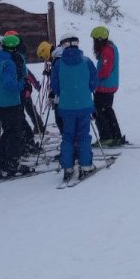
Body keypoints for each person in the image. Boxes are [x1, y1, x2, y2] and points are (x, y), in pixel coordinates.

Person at [50, 33, 98, 185]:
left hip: (66, 106)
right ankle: (85, 165)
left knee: (68, 136)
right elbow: (94, 82)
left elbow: (55, 86)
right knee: (83, 135)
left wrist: (66, 94)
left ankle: (68, 167)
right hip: (83, 105)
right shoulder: (86, 61)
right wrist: (84, 92)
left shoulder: (58, 64)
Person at [0, 35, 28, 177]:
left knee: (7, 133)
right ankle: (12, 165)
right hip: (10, 102)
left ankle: (2, 164)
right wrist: (22, 85)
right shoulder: (8, 62)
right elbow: (9, 84)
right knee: (15, 134)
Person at [91, 26, 127, 147]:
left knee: (99, 112)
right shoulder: (111, 48)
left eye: (95, 40)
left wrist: (94, 79)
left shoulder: (107, 51)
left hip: (104, 87)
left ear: (100, 40)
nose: (94, 43)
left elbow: (105, 70)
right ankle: (115, 135)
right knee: (107, 111)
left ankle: (106, 137)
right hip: (109, 86)